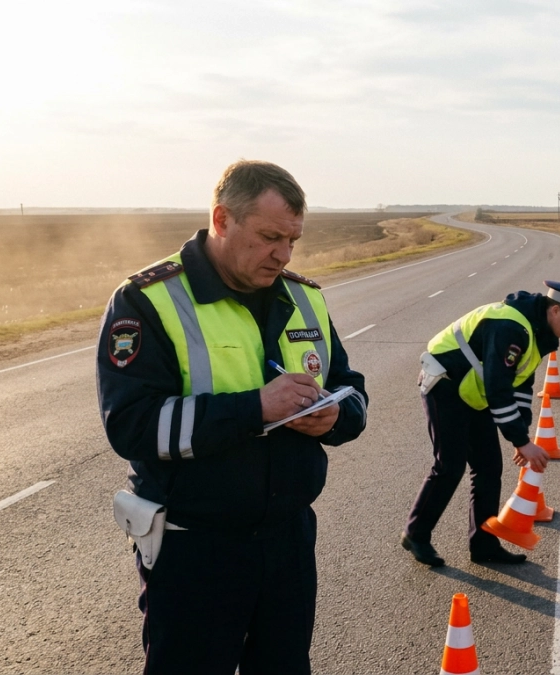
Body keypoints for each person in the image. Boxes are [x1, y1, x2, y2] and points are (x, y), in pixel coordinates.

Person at [96, 160, 368, 674]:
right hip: (193, 552)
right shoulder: (147, 300)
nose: (283, 254)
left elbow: (351, 391)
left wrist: (333, 419)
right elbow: (130, 425)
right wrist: (253, 409)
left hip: (288, 543)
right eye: (270, 237)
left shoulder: (304, 298)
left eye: (293, 241)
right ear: (222, 220)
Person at [402, 281, 560, 566]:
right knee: (449, 465)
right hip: (445, 384)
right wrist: (520, 441)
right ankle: (416, 534)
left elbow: (521, 385)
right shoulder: (511, 327)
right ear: (555, 310)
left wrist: (523, 436)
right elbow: (498, 388)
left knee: (489, 467)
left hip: (474, 391)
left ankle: (483, 546)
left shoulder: (537, 332)